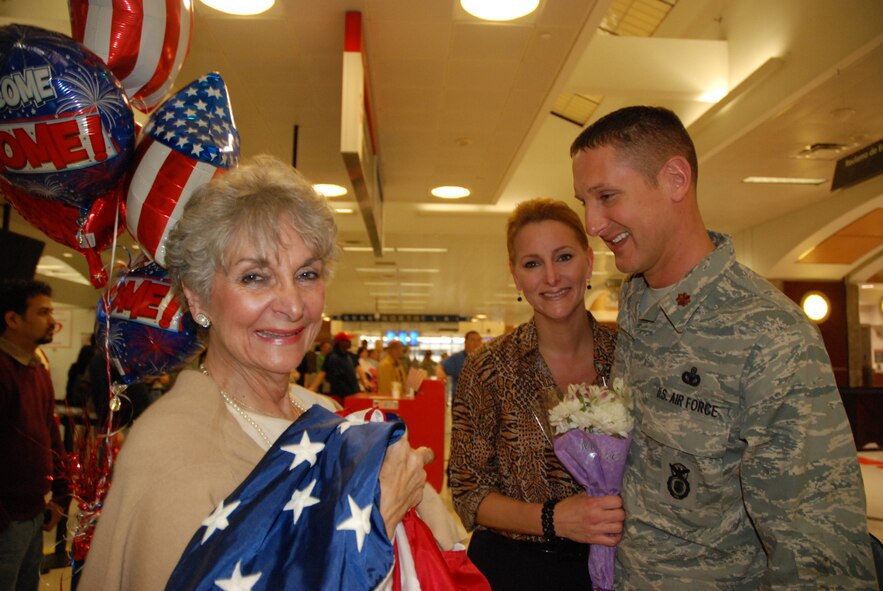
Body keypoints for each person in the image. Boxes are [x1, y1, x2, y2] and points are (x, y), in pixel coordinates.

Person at [79, 156, 453, 590]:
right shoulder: (169, 451)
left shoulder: (324, 412)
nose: (293, 305)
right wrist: (375, 519)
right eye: (255, 277)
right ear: (198, 298)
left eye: (306, 274)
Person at [571, 105, 878, 588]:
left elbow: (818, 553)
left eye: (607, 196)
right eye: (584, 201)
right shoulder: (635, 306)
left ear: (675, 180)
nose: (591, 222)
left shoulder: (770, 334)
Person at [448, 198, 624, 590]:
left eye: (563, 257)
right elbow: (467, 492)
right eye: (532, 264)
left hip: (616, 566)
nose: (551, 277)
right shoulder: (489, 369)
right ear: (516, 276)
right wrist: (555, 518)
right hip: (513, 570)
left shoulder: (628, 361)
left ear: (589, 261)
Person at [0, 279, 69, 591]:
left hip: (33, 513)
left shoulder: (37, 371)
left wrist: (60, 497)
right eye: (42, 313)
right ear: (12, 319)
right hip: (7, 519)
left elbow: (50, 435)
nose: (52, 322)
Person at [310, 331, 361, 399]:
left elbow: (358, 368)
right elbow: (323, 372)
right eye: (347, 340)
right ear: (341, 342)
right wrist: (312, 388)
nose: (349, 342)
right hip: (338, 394)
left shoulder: (350, 356)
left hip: (353, 392)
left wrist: (365, 381)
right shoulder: (332, 357)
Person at [437, 330, 482, 399]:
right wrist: (441, 373)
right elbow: (440, 366)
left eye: (478, 340)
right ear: (465, 342)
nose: (476, 343)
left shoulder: (484, 359)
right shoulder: (457, 358)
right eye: (472, 340)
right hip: (459, 398)